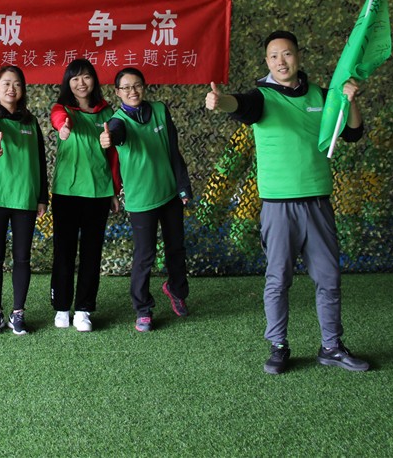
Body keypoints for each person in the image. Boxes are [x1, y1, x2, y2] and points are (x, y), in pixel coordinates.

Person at [205, 30, 370, 374]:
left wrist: (350, 100)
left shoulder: (321, 95)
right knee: (278, 280)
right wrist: (221, 102)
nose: (281, 61)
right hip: (278, 207)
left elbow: (353, 133)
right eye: (274, 56)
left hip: (317, 202)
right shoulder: (262, 97)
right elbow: (241, 105)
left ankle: (331, 346)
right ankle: (278, 346)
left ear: (298, 56)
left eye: (287, 54)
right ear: (267, 62)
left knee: (329, 279)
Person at [100, 68, 191, 332]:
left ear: (144, 86)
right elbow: (116, 133)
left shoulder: (160, 110)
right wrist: (109, 138)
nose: (133, 91)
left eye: (137, 85)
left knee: (176, 248)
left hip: (170, 194)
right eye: (126, 87)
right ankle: (143, 308)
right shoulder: (117, 121)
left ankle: (176, 290)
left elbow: (173, 150)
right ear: (117, 92)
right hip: (141, 200)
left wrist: (183, 187)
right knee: (145, 255)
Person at [49, 58, 121, 332]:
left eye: (86, 77)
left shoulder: (107, 112)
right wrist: (63, 128)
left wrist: (114, 190)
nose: (81, 83)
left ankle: (83, 309)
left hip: (99, 193)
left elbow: (113, 156)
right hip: (67, 192)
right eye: (75, 78)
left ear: (94, 80)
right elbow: (58, 120)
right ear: (68, 83)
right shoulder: (62, 109)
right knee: (64, 252)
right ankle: (61, 307)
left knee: (92, 253)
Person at [0, 66, 48, 336]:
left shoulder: (31, 122)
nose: (11, 88)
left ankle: (18, 313)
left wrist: (42, 198)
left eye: (17, 84)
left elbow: (41, 160)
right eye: (5, 83)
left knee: (22, 258)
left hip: (25, 198)